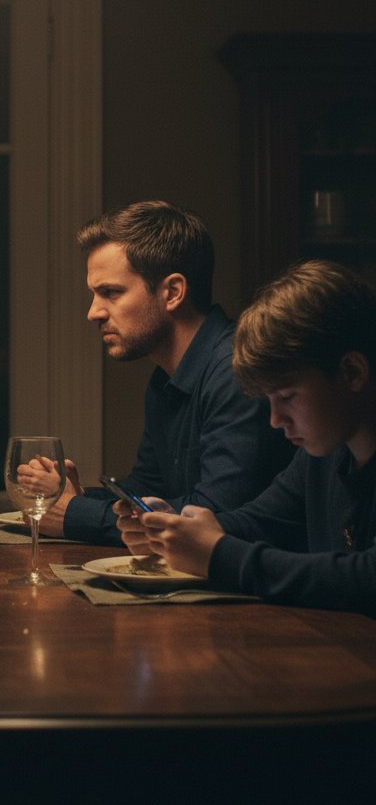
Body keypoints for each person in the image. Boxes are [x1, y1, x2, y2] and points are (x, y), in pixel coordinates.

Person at [118, 260, 376, 618]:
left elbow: (365, 578)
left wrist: (218, 556)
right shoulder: (322, 454)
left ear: (352, 372)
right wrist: (180, 528)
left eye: (287, 397)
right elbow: (261, 521)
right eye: (269, 401)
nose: (276, 420)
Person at [36, 200, 291, 543]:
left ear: (172, 292)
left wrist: (74, 514)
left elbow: (215, 513)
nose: (94, 312)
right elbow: (146, 492)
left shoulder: (237, 372)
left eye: (110, 293)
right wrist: (76, 499)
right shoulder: (165, 378)